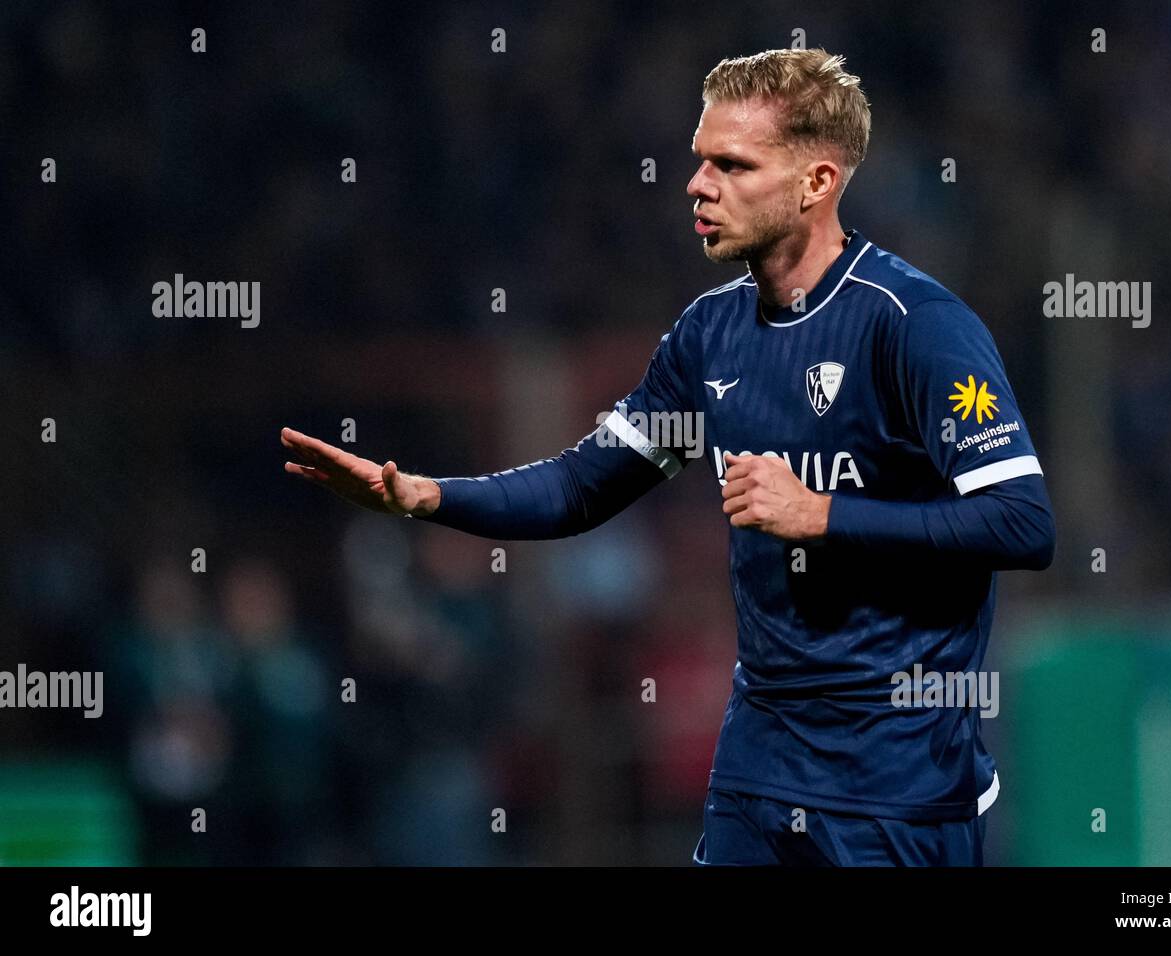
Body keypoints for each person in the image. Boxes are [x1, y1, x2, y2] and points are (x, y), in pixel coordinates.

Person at [281, 48, 1055, 866]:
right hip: (758, 778)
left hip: (901, 793)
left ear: (816, 182)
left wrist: (821, 515)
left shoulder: (917, 326)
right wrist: (426, 497)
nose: (697, 183)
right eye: (698, 159)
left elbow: (1022, 523)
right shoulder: (708, 337)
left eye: (732, 163)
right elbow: (584, 487)